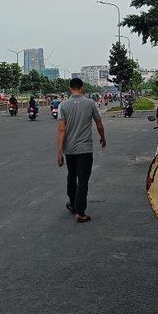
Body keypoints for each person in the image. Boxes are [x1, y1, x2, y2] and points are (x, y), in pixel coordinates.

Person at [57, 77, 106, 223]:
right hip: (85, 149)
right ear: (82, 87)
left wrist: (59, 152)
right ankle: (80, 212)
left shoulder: (63, 105)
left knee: (71, 176)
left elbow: (61, 130)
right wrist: (103, 138)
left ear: (70, 88)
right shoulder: (91, 103)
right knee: (83, 180)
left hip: (69, 149)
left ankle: (73, 203)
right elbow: (99, 124)